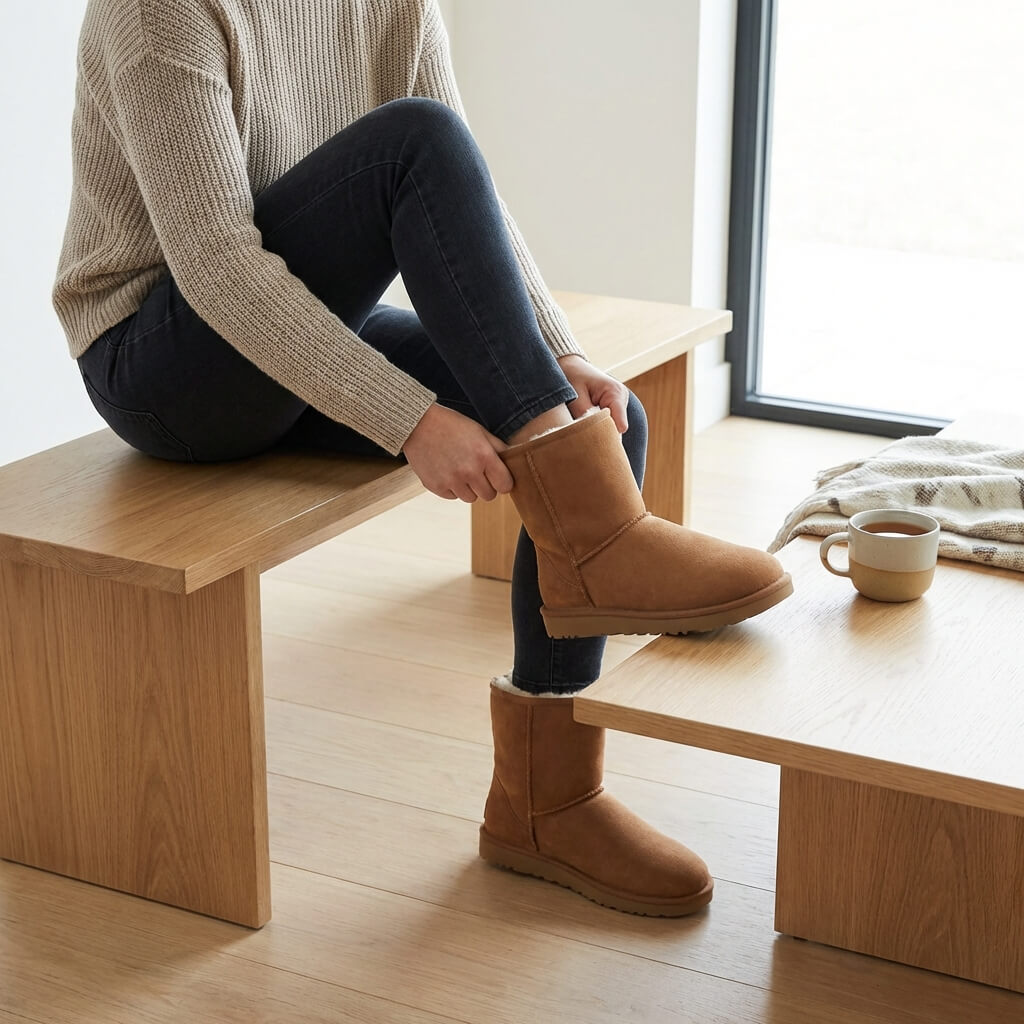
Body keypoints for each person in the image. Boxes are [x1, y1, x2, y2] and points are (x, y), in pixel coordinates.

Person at [54, 0, 791, 917]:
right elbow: (216, 266)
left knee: (599, 419)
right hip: (167, 365)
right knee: (414, 140)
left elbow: (467, 198)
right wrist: (407, 418)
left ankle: (546, 805)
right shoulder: (157, 9)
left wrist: (557, 354)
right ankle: (610, 547)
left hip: (300, 322)